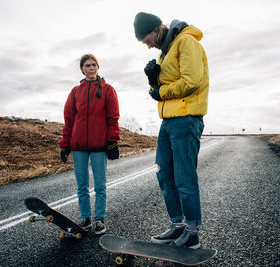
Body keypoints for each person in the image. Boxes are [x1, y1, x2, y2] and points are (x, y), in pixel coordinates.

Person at [133, 12, 209, 249]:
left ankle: (192, 232)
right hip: (168, 119)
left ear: (157, 29)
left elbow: (192, 81)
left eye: (147, 40)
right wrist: (153, 80)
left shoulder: (186, 42)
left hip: (186, 118)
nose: (148, 46)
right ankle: (177, 226)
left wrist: (161, 92)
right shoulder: (165, 52)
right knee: (164, 173)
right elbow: (162, 87)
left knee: (184, 176)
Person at [59, 54, 120, 235]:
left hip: (99, 145)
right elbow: (68, 120)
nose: (91, 68)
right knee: (82, 185)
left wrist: (112, 142)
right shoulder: (75, 92)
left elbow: (113, 118)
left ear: (98, 67)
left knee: (100, 185)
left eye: (94, 65)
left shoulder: (108, 89)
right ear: (82, 69)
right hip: (78, 146)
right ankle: (85, 218)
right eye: (88, 65)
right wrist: (65, 144)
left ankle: (99, 219)